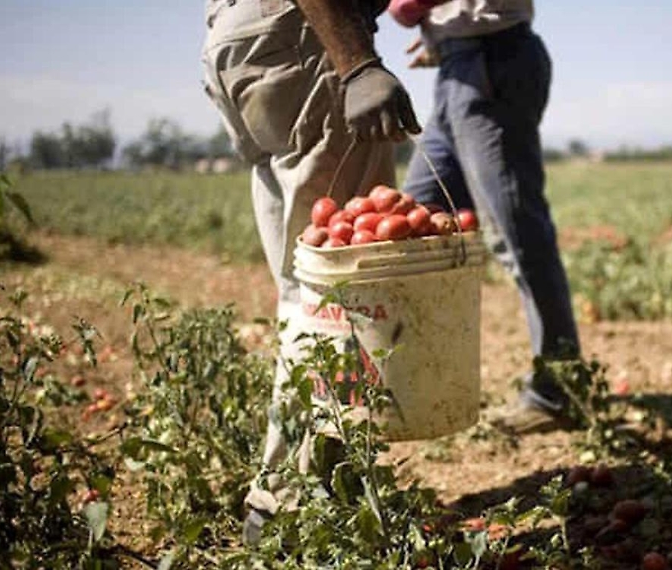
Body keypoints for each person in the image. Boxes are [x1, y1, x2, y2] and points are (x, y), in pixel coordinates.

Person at [201, 0, 421, 546]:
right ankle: (292, 504)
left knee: (306, 286)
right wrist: (357, 62)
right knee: (340, 291)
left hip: (241, 42)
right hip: (303, 37)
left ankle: (307, 493)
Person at [388, 0, 582, 433]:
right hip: (458, 66)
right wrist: (444, 33)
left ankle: (558, 390)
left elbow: (403, 7)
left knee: (517, 234)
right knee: (413, 220)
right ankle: (418, 379)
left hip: (493, 61)